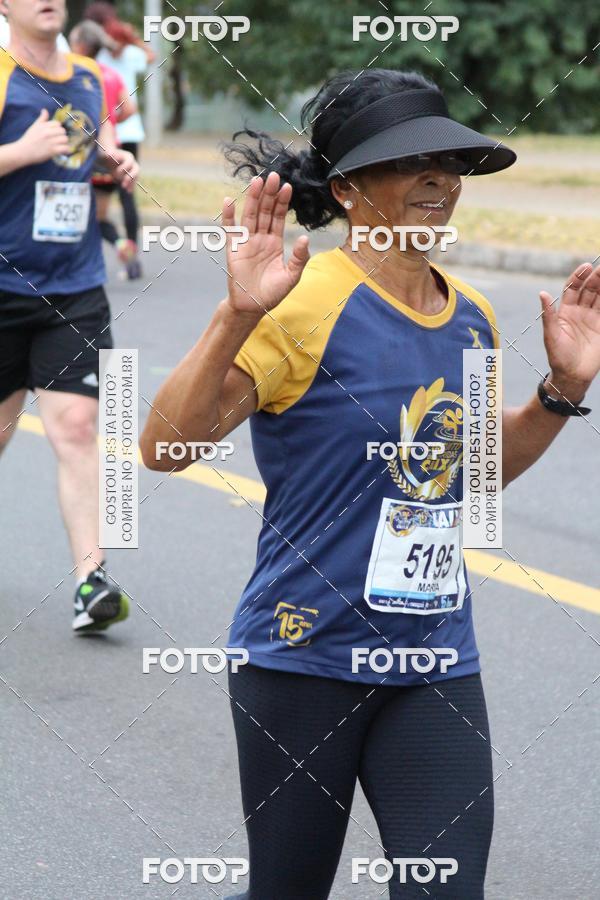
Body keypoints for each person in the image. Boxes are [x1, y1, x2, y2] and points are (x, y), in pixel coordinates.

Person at [141, 69, 600, 899]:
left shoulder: (471, 316)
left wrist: (561, 391)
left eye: (450, 162)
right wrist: (235, 316)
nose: (441, 180)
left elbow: (473, 475)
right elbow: (164, 448)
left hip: (434, 660)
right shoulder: (302, 303)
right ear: (349, 189)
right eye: (411, 162)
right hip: (303, 657)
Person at [0, 0, 139, 633]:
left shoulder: (87, 74)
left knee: (80, 427)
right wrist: (21, 151)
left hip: (75, 286)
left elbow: (97, 147)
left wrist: (115, 160)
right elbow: (33, 154)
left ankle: (91, 580)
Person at [86, 2, 155, 281]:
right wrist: (132, 37)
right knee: (128, 197)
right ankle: (133, 260)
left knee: (99, 202)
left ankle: (101, 256)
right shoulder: (131, 55)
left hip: (107, 135)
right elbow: (151, 55)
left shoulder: (96, 54)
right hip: (132, 134)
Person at [69, 19, 138, 275]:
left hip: (82, 153)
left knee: (78, 214)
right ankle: (123, 245)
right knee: (98, 214)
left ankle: (85, 264)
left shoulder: (73, 72)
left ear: (79, 44)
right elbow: (129, 108)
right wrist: (108, 120)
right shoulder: (110, 74)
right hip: (110, 153)